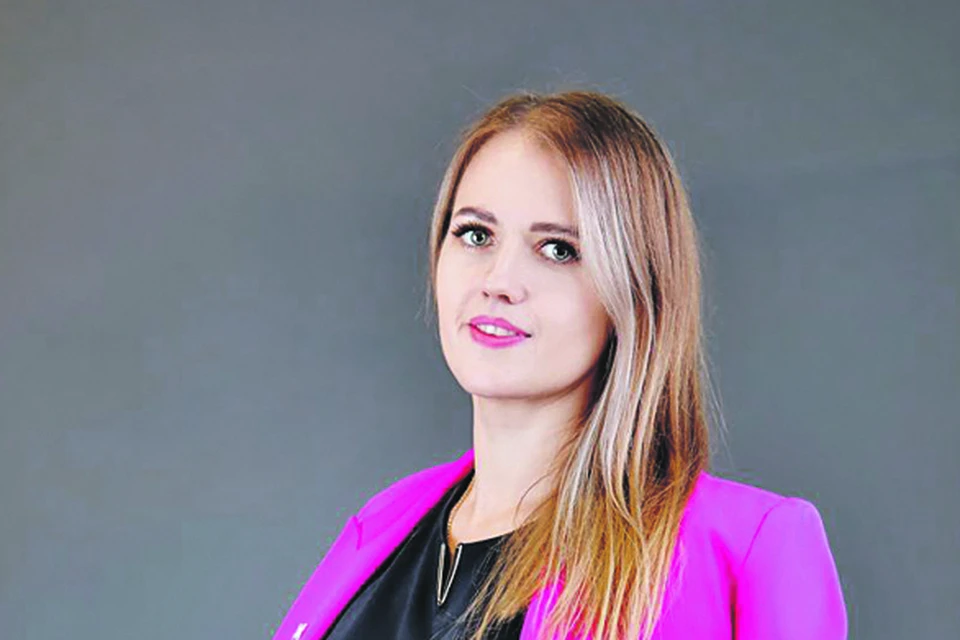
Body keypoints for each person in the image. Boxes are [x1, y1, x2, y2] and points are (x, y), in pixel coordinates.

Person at [272, 90, 848, 640]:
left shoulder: (747, 549)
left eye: (558, 249)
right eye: (475, 234)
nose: (499, 282)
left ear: (634, 293)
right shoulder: (381, 523)